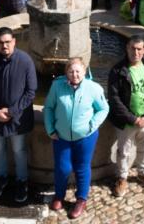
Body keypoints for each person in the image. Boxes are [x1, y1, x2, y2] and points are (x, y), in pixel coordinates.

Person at [44, 57, 109, 219]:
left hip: (85, 137)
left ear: (84, 72)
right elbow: (49, 108)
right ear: (66, 72)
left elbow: (103, 109)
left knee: (82, 167)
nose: (74, 75)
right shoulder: (57, 86)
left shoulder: (93, 88)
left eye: (78, 71)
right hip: (61, 137)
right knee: (62, 168)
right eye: (71, 71)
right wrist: (50, 129)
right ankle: (59, 196)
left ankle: (81, 199)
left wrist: (91, 125)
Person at [0, 27, 37, 203]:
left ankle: (21, 181)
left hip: (17, 119)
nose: (4, 46)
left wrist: (12, 111)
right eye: (1, 43)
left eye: (7, 42)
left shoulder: (25, 61)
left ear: (14, 42)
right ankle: (1, 177)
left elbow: (31, 91)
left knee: (19, 151)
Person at [107, 35, 144, 198]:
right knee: (123, 151)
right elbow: (114, 98)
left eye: (139, 49)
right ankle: (122, 178)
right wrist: (132, 119)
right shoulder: (118, 71)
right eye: (133, 48)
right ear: (127, 48)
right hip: (126, 122)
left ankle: (143, 173)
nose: (136, 52)